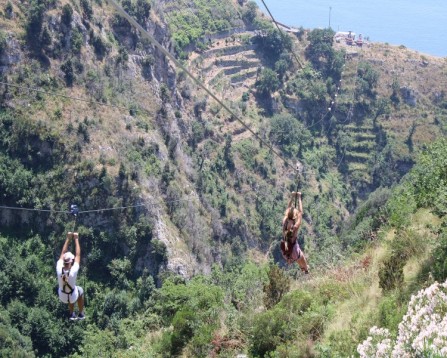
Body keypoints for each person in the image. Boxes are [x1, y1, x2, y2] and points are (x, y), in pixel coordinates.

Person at [56, 232, 85, 320]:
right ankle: (81, 313)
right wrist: (76, 239)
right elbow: (78, 255)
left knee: (70, 289)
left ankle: (71, 313)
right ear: (71, 262)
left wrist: (68, 238)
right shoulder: (73, 270)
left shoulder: (58, 268)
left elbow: (63, 253)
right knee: (79, 290)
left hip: (62, 296)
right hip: (72, 296)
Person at [280, 191, 309, 274]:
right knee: (301, 258)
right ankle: (306, 269)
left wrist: (292, 197)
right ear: (295, 217)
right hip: (294, 250)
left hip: (285, 251)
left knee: (297, 258)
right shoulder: (295, 226)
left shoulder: (284, 222)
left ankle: (300, 266)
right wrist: (299, 197)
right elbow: (301, 212)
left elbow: (288, 208)